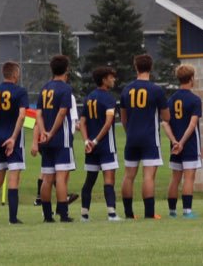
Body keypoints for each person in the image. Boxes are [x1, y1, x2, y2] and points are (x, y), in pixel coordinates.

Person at [119, 54, 167, 220]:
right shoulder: (156, 90)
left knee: (128, 175)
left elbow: (123, 118)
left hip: (131, 137)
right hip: (149, 138)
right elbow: (166, 117)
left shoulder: (126, 90)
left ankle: (128, 213)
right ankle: (149, 213)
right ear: (151, 67)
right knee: (148, 176)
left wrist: (129, 131)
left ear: (135, 67)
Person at [32, 55, 76, 223]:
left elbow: (38, 113)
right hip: (60, 138)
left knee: (47, 177)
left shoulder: (45, 88)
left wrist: (43, 132)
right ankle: (63, 214)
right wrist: (51, 132)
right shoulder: (65, 89)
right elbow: (62, 112)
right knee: (60, 177)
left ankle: (47, 215)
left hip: (45, 140)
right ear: (66, 70)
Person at [0, 61, 28, 224]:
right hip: (13, 140)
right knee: (13, 179)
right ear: (15, 74)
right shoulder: (20, 92)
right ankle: (12, 218)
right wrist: (14, 138)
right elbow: (22, 116)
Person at [78, 66, 120, 222]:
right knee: (109, 178)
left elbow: (82, 122)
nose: (114, 79)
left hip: (90, 147)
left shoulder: (89, 98)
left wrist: (86, 141)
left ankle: (84, 214)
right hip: (105, 145)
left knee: (89, 180)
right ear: (104, 80)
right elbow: (109, 123)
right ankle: (112, 214)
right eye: (111, 77)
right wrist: (95, 141)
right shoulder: (109, 98)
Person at [165, 64, 203, 219]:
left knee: (175, 177)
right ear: (192, 78)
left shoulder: (171, 99)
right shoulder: (195, 100)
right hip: (189, 144)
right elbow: (192, 124)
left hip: (174, 145)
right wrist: (182, 142)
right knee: (189, 177)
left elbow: (165, 123)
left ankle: (172, 211)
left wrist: (174, 141)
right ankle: (187, 210)